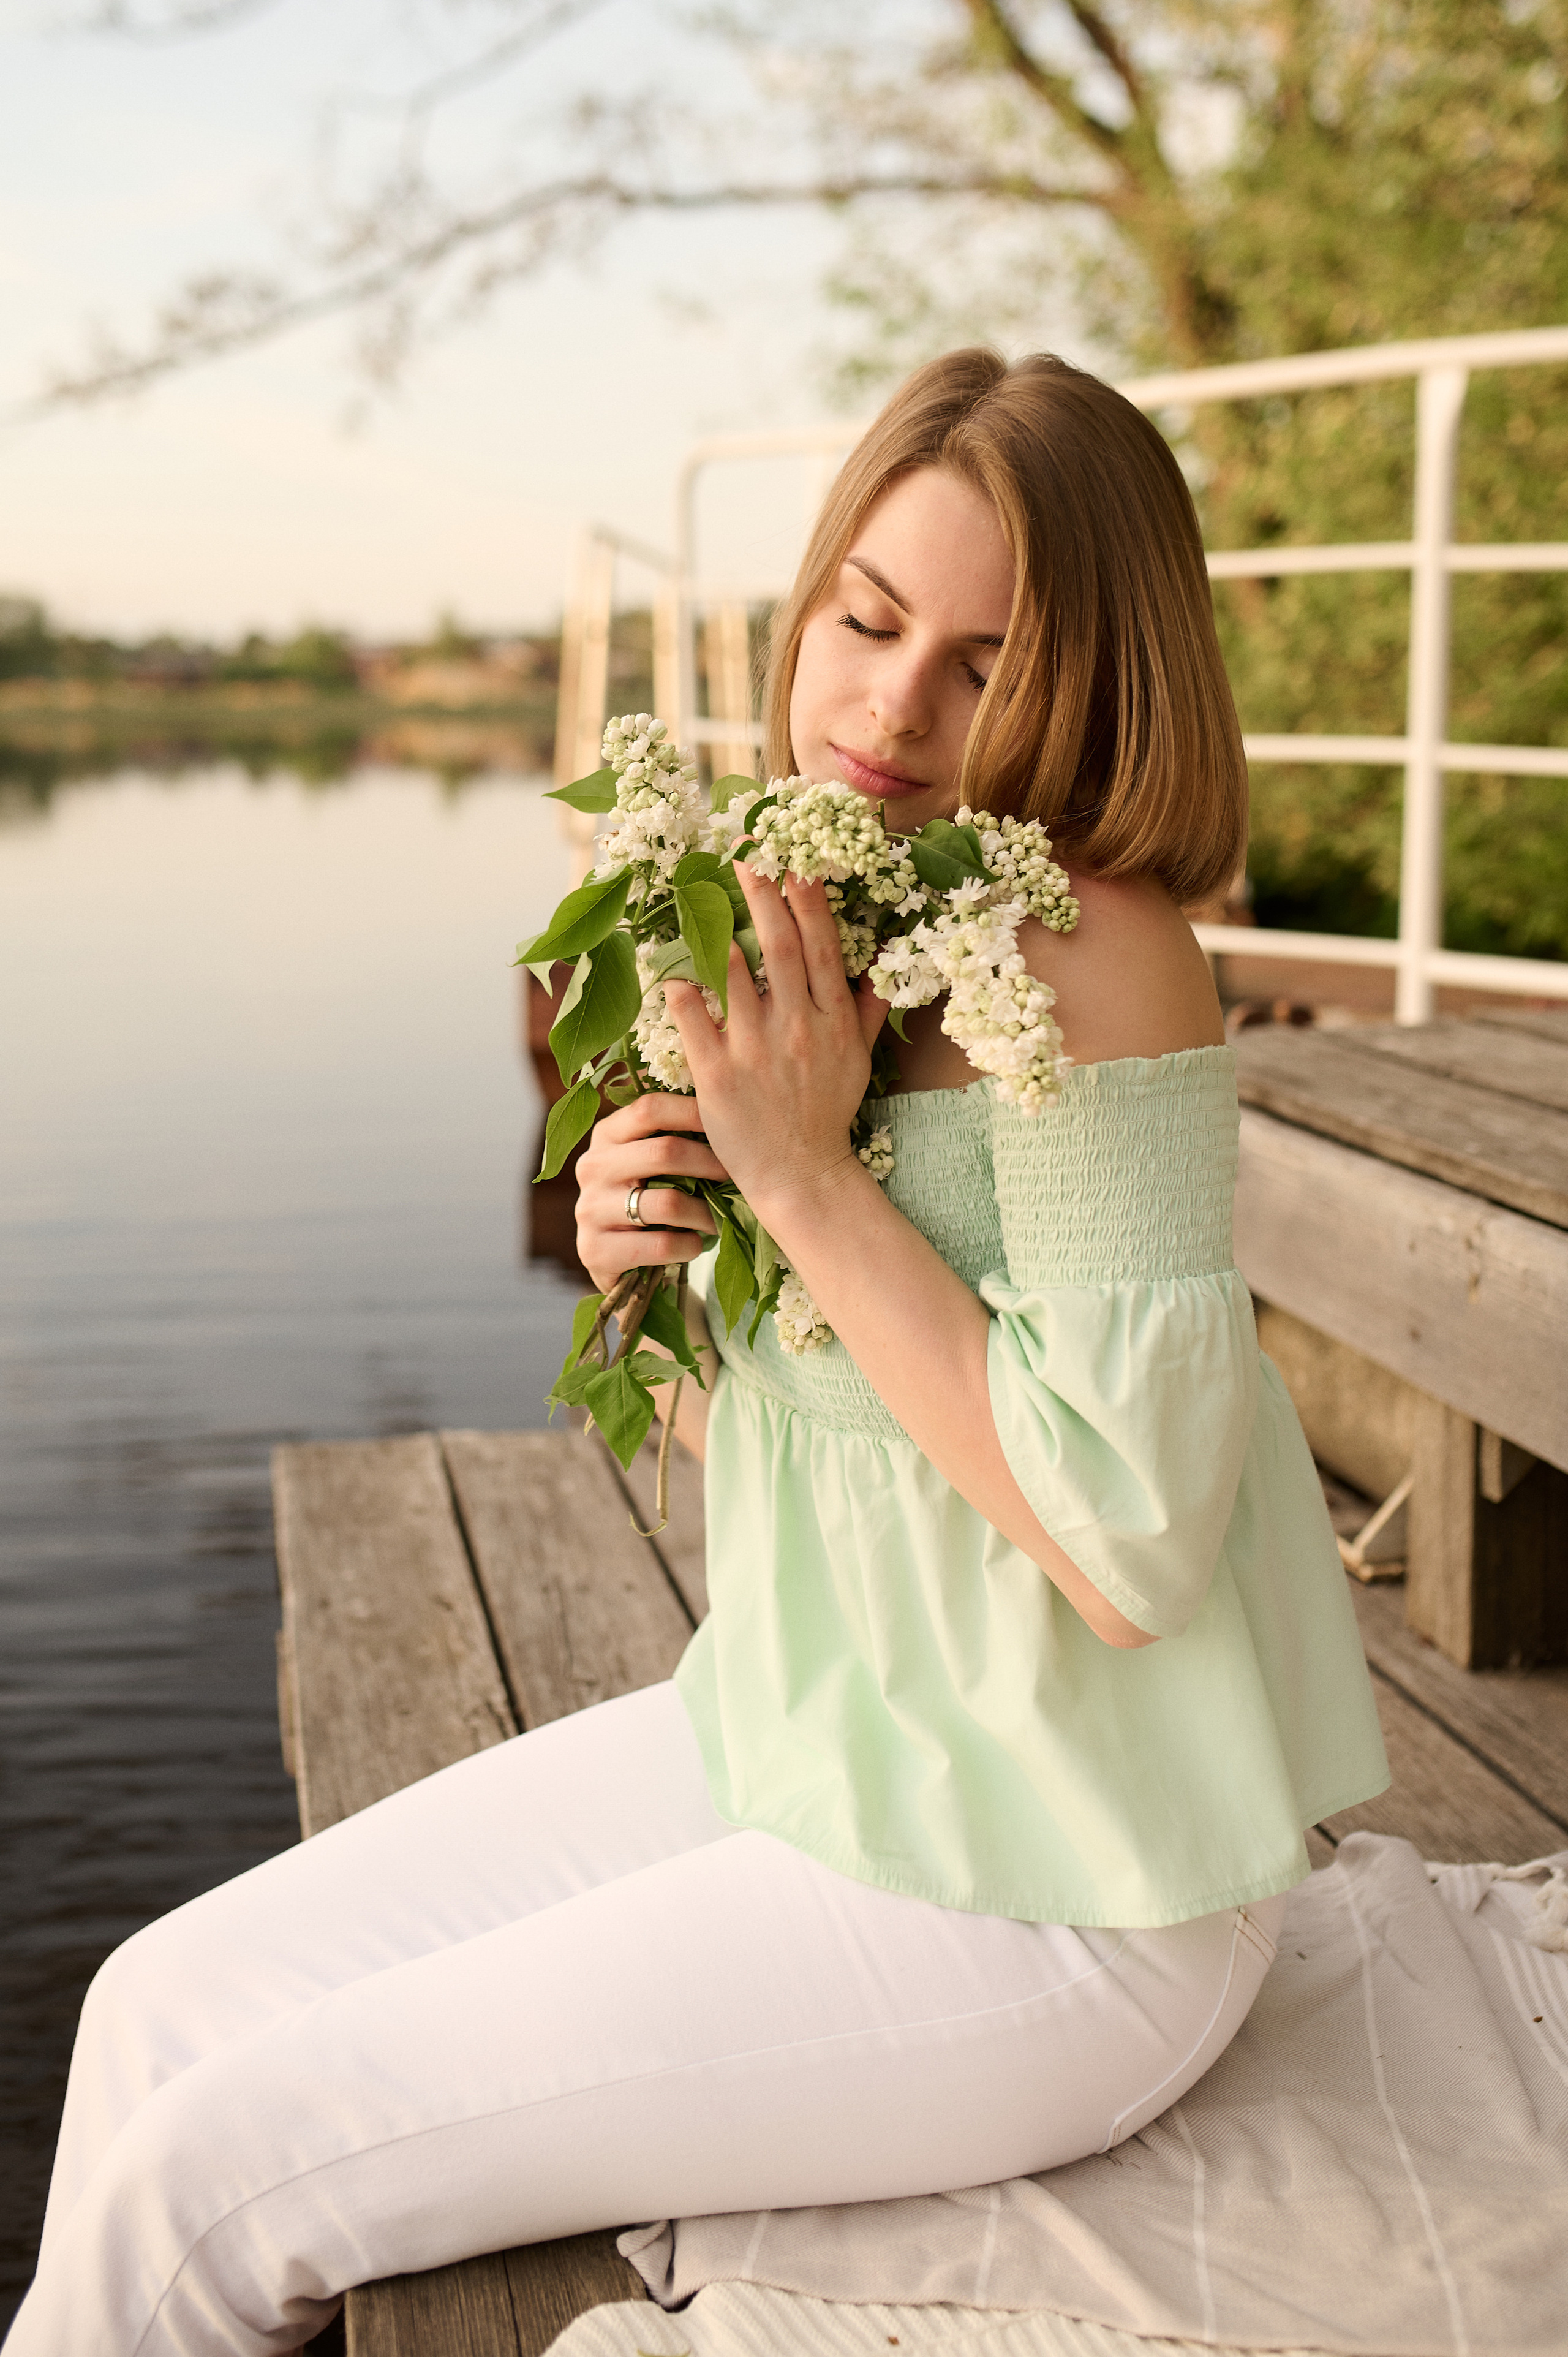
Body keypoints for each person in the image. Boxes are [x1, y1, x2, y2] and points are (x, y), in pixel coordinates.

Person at [7, 350, 1388, 2357]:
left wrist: (805, 1178)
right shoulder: (790, 899)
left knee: (221, 2182)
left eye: (984, 663)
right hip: (815, 1735)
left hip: (1060, 1880)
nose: (893, 710)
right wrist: (646, 1246)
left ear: (1100, 681)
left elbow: (1130, 1548)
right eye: (868, 620)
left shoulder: (1098, 958)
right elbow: (810, 1408)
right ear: (810, 598)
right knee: (153, 2006)